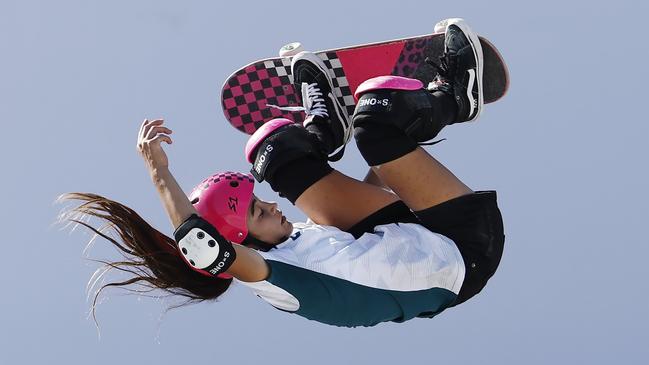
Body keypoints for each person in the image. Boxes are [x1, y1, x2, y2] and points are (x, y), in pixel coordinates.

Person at [63, 18, 504, 328]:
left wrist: (399, 160)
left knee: (272, 151)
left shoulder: (304, 240)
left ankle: (325, 128)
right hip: (463, 253)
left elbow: (378, 205)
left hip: (403, 230)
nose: (272, 206)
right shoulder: (270, 278)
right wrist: (159, 173)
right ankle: (456, 95)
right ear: (239, 241)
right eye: (257, 212)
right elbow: (200, 246)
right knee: (378, 119)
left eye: (259, 203)